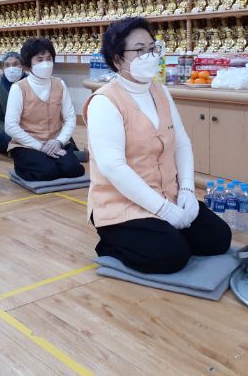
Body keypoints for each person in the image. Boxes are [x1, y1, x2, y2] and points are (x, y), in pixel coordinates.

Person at [84, 17, 231, 274]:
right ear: (118, 60)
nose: (150, 56)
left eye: (152, 48)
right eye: (139, 50)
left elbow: (182, 143)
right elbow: (113, 167)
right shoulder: (105, 102)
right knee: (172, 255)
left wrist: (187, 191)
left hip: (167, 195)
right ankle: (111, 243)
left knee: (218, 238)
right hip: (123, 204)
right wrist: (163, 210)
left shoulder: (160, 92)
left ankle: (161, 231)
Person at [5, 37, 85, 181]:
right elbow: (10, 126)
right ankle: (20, 166)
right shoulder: (19, 88)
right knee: (47, 172)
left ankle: (52, 159)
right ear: (28, 65)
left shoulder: (60, 84)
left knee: (74, 170)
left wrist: (58, 141)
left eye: (49, 59)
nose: (46, 63)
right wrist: (39, 146)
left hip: (55, 142)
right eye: (40, 59)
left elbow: (70, 117)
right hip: (27, 144)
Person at [0, 52, 25, 154]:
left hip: (30, 129)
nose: (11, 68)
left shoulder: (30, 84)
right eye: (7, 65)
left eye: (15, 64)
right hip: (6, 132)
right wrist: (15, 131)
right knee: (4, 138)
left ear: (23, 66)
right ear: (3, 69)